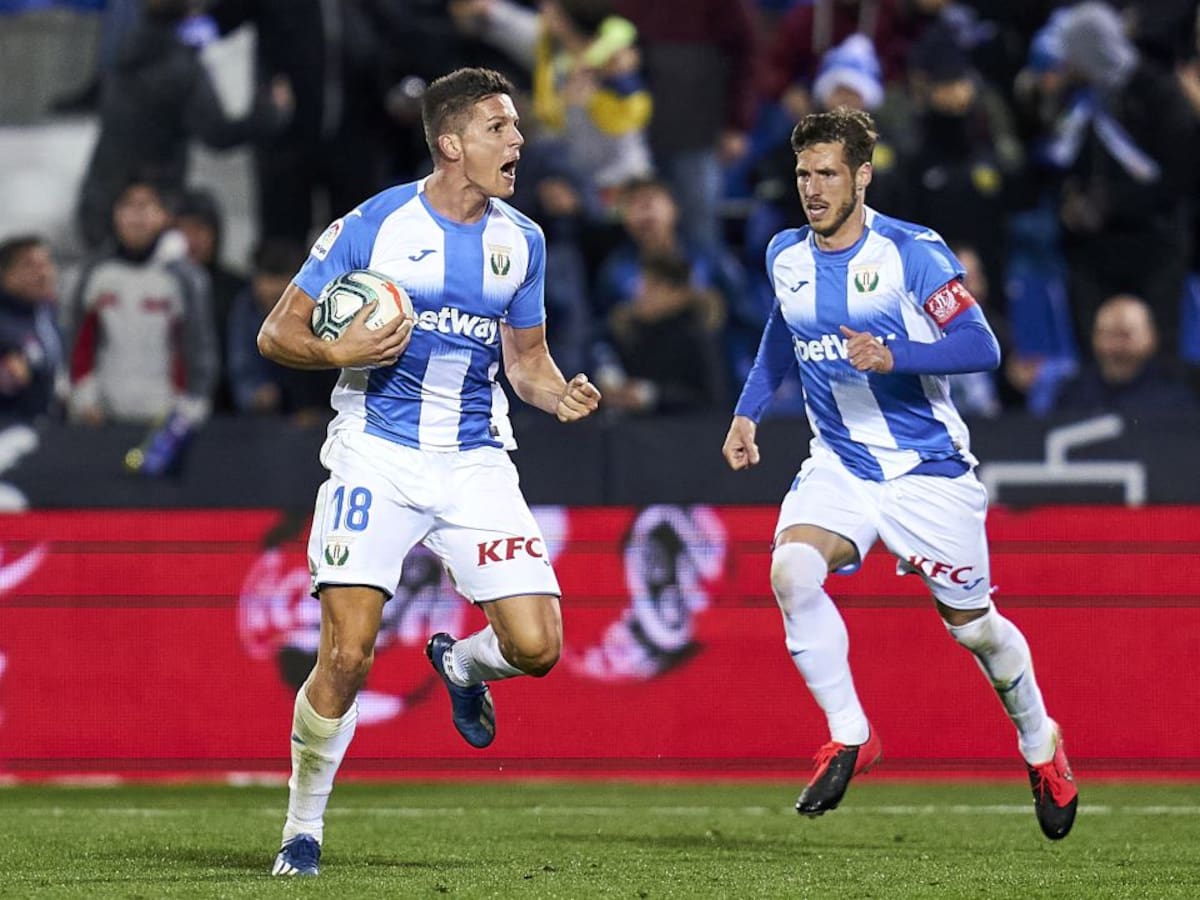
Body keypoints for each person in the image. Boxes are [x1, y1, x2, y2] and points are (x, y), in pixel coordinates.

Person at [256, 66, 602, 877]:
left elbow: (527, 363)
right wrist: (337, 350)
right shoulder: (372, 227)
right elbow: (277, 333)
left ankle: (459, 663)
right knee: (347, 655)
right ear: (451, 143)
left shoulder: (523, 242)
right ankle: (302, 828)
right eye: (498, 127)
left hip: (474, 460)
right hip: (375, 454)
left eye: (515, 127)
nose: (518, 141)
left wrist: (559, 393)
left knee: (537, 646)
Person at [720, 107, 1078, 840]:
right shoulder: (785, 253)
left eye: (827, 174)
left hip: (926, 472)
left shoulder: (913, 251)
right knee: (791, 571)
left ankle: (1039, 741)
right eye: (803, 174)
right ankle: (850, 735)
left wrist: (895, 356)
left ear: (862, 176)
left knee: (975, 631)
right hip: (840, 464)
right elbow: (782, 333)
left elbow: (981, 345)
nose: (812, 188)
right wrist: (748, 412)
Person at [0, 235, 64, 427]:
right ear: (6, 274)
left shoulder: (49, 312)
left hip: (48, 426)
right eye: (30, 266)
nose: (43, 273)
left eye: (46, 263)